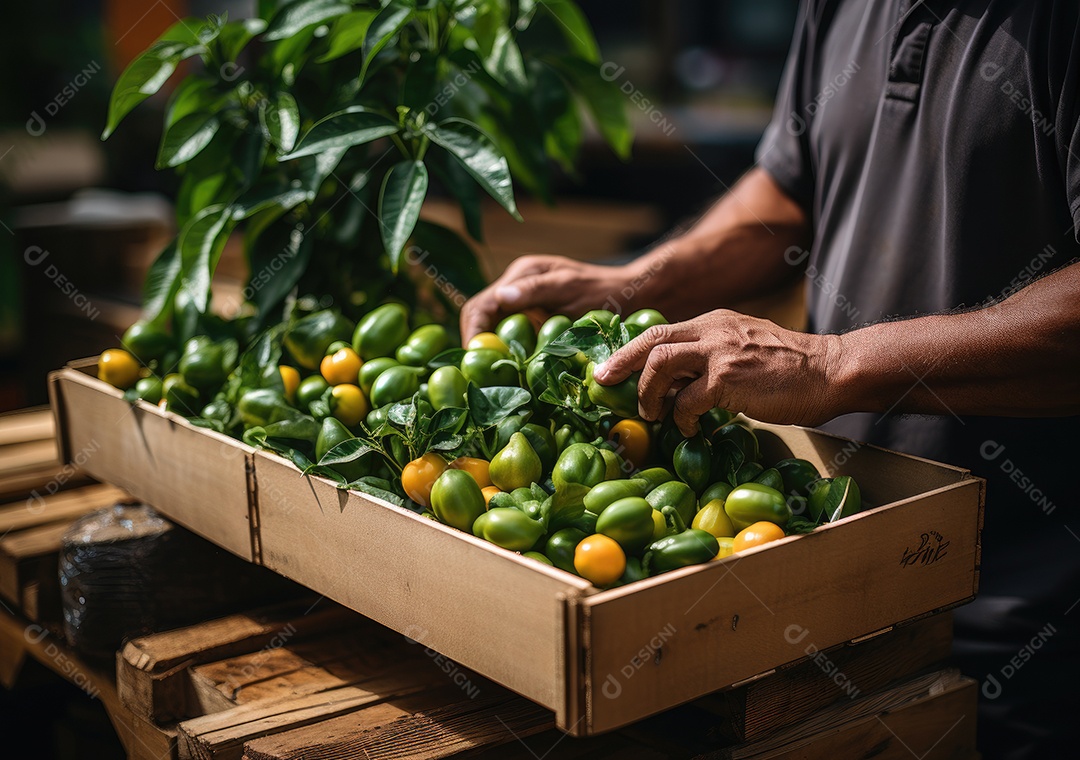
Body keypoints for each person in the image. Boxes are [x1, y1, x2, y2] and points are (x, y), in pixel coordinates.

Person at [461, 2, 1080, 758]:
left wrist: (830, 363)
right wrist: (631, 287)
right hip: (827, 554)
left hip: (1023, 613)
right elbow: (788, 195)